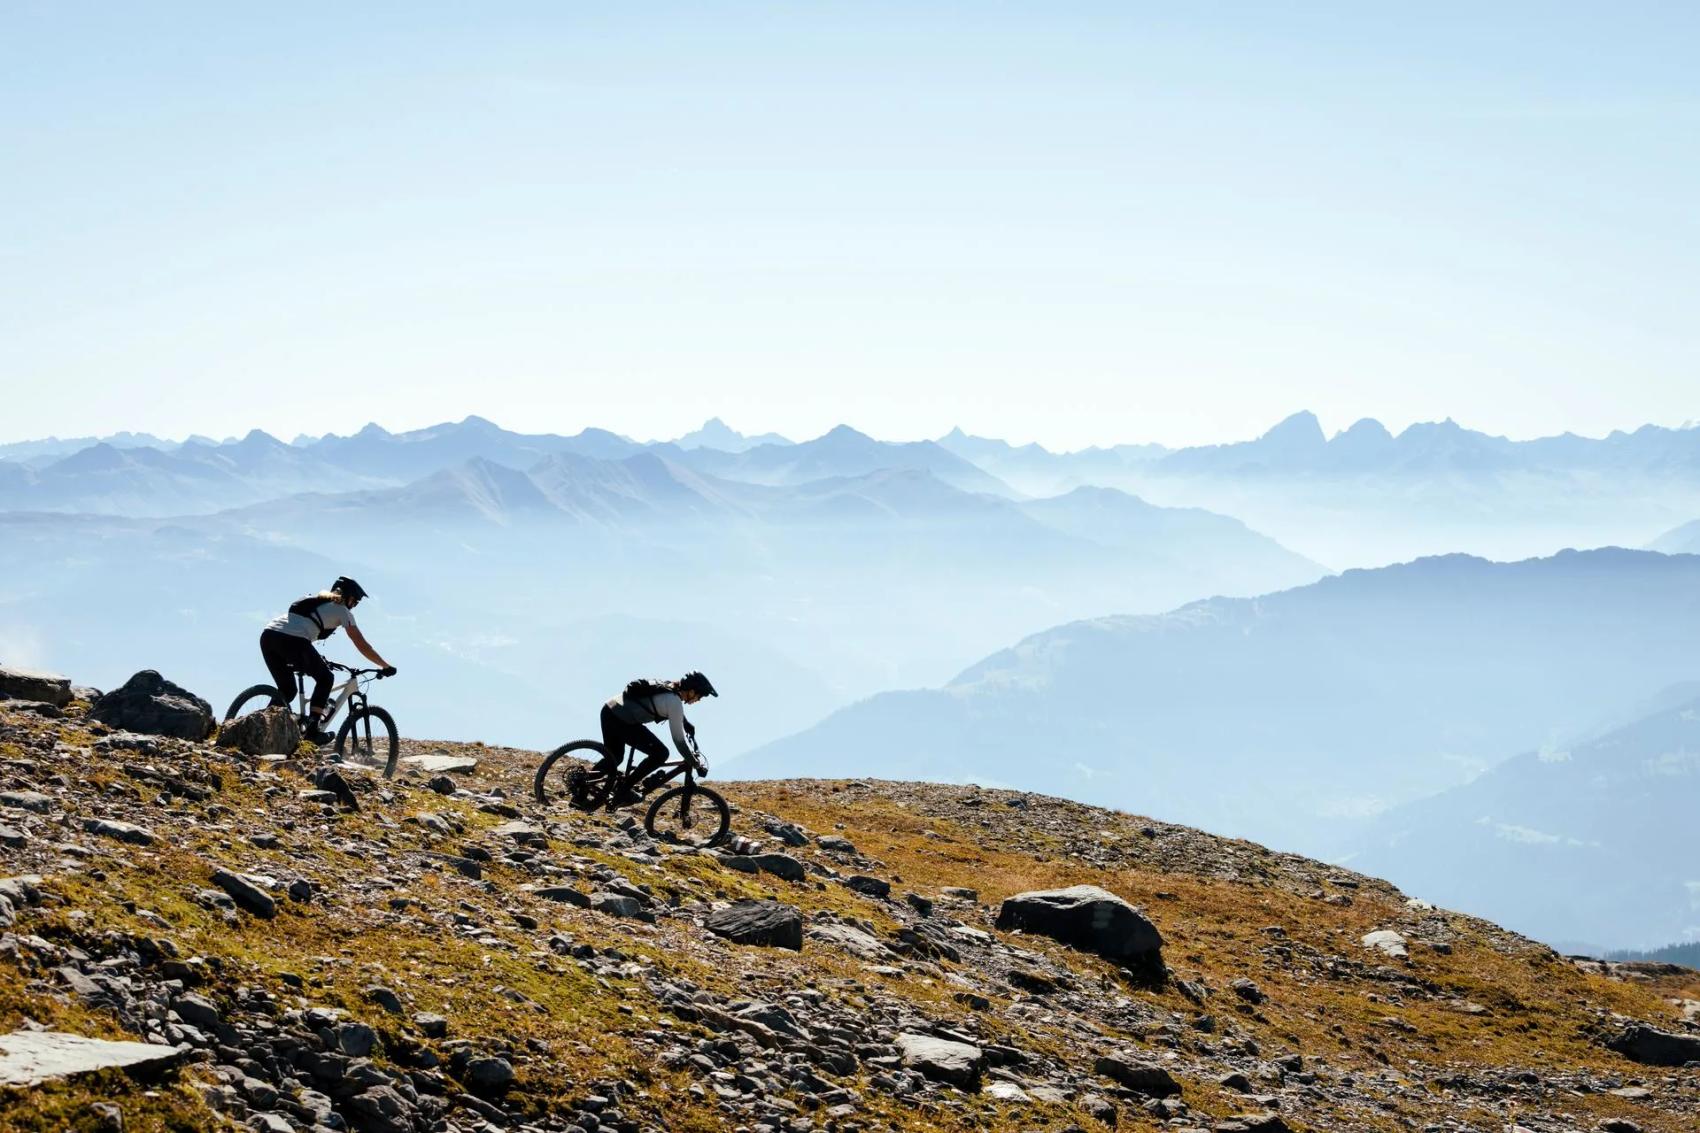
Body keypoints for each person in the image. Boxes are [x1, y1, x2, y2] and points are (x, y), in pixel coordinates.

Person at [259, 576, 395, 743]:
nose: (354, 606)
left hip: (268, 636)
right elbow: (361, 644)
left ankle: (257, 726)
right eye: (355, 601)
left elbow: (299, 626)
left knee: (287, 690)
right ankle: (312, 731)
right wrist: (385, 665)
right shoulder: (342, 610)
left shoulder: (316, 601)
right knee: (326, 678)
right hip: (293, 640)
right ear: (348, 597)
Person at [597, 671, 717, 803]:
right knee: (660, 753)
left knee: (615, 757)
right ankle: (623, 790)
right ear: (692, 691)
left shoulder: (669, 687)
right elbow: (679, 741)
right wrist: (695, 764)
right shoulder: (675, 702)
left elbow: (667, 704)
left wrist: (685, 723)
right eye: (699, 697)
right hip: (622, 720)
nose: (698, 701)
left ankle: (581, 786)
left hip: (609, 710)